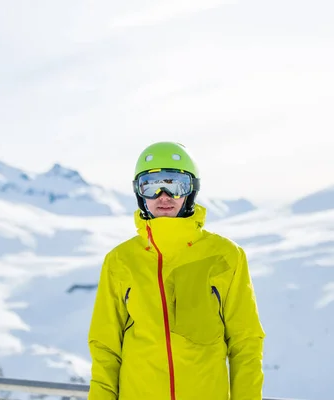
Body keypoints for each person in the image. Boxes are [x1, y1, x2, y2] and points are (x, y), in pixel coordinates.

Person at [87, 142, 266, 400]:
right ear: (140, 193)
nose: (163, 195)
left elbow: (245, 343)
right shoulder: (120, 261)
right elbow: (106, 348)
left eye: (174, 185)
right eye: (151, 185)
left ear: (191, 190)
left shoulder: (226, 256)